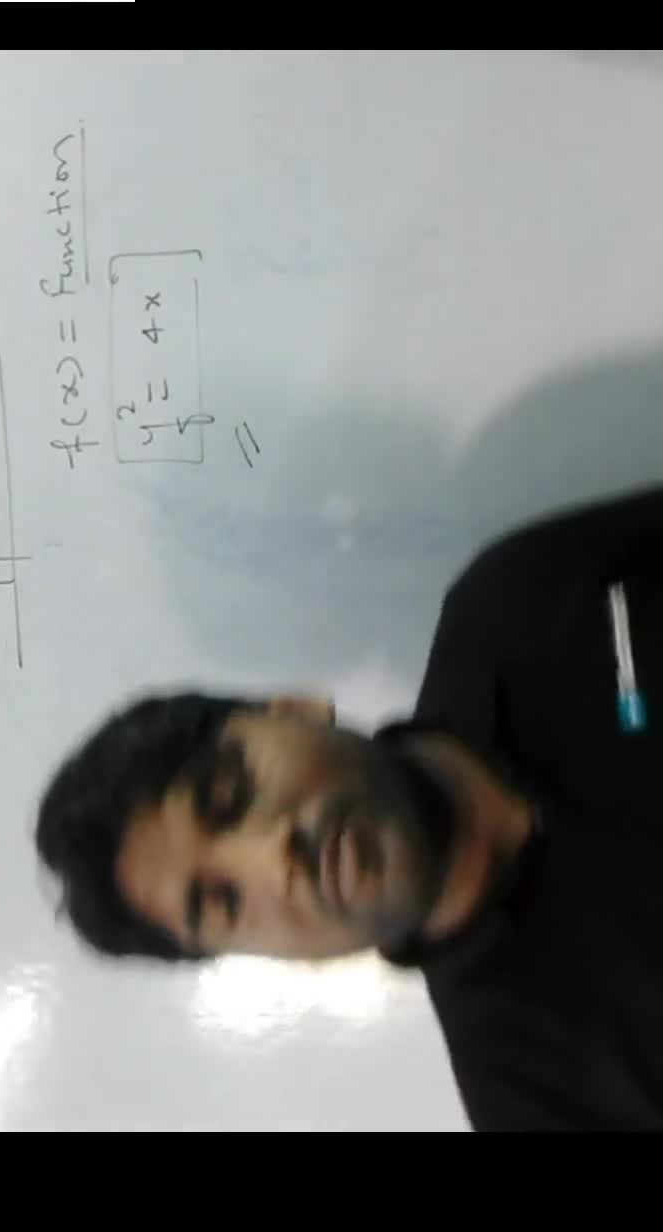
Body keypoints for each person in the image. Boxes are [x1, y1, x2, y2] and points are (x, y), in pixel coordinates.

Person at [35, 482, 663, 1131]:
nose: (274, 858)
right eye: (226, 903)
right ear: (291, 959)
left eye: (229, 796)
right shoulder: (536, 1099)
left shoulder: (511, 604)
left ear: (297, 710)